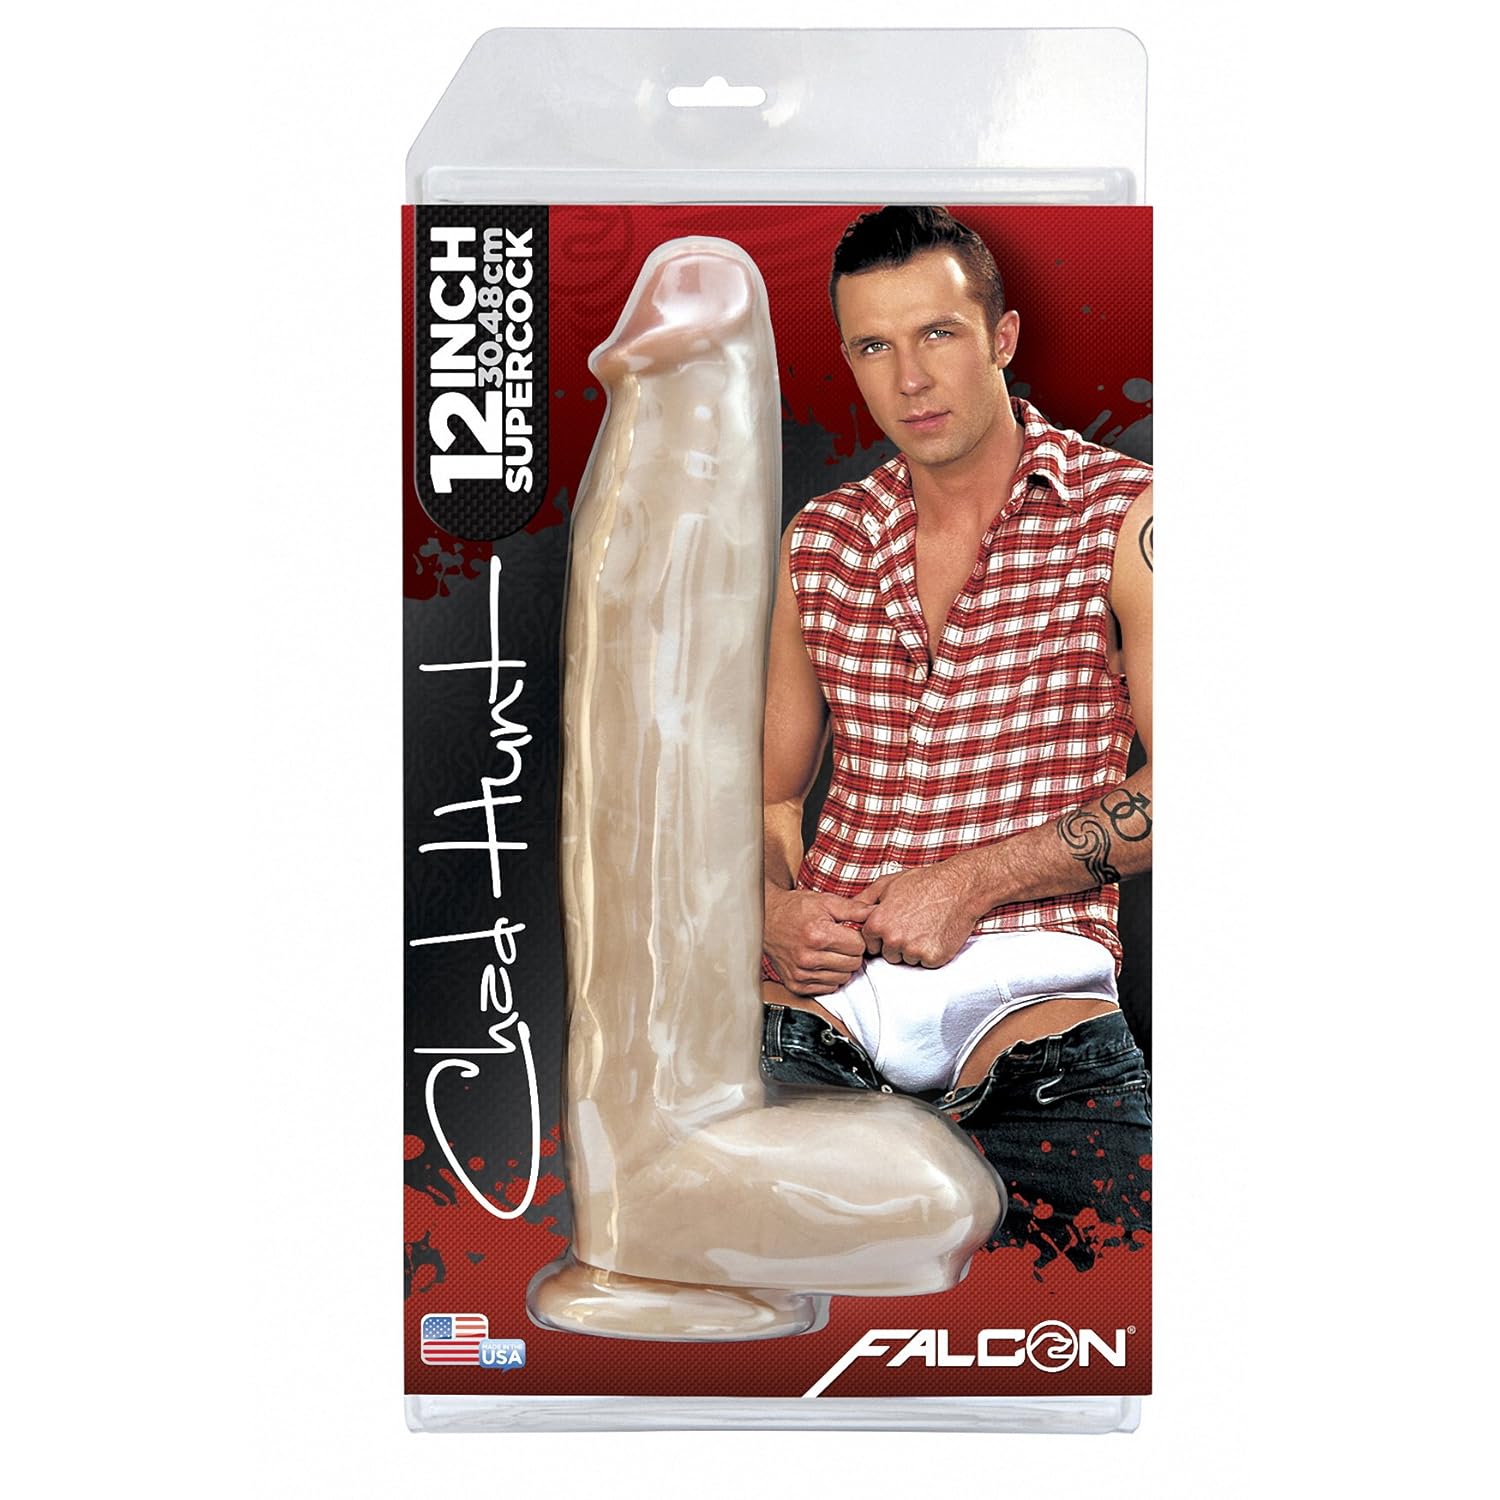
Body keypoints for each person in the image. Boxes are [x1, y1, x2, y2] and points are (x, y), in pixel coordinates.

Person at [759, 206, 1154, 1272]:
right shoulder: (820, 540)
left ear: (1002, 337)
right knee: (746, 1304)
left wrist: (969, 884)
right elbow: (768, 798)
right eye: (873, 346)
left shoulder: (1124, 518)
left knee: (1101, 1305)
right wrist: (767, 910)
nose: (910, 379)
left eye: (937, 334)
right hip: (822, 1001)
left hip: (1032, 999)